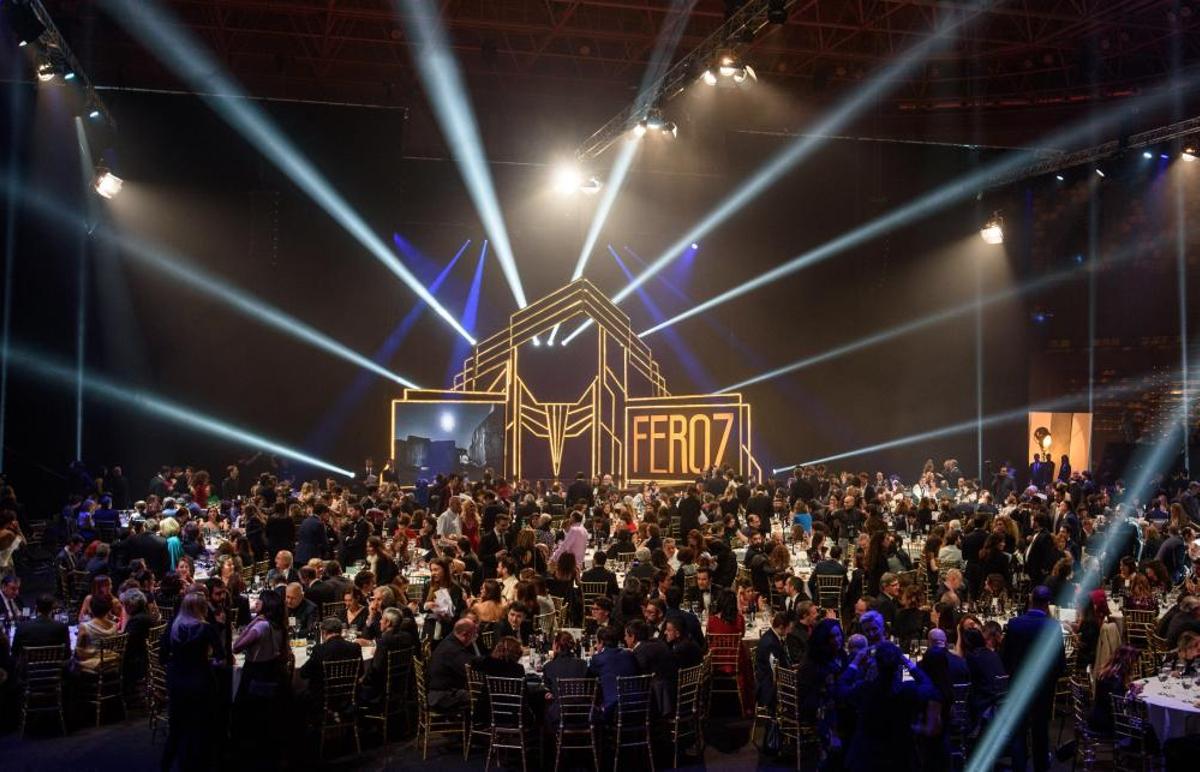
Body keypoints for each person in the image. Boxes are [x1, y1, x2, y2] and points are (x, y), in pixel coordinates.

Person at [837, 641, 936, 772]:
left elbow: (840, 688)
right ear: (898, 666)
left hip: (868, 758)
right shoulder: (907, 691)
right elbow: (928, 686)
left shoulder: (865, 689)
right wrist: (908, 663)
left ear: (877, 665)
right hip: (900, 757)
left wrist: (855, 662)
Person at [1002, 586, 1066, 772]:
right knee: (1040, 729)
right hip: (1043, 688)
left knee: (1018, 729)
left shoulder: (1015, 624)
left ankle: (1019, 767)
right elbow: (1059, 663)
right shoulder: (1053, 626)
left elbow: (1005, 658)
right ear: (1048, 604)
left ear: (1031, 600)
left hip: (1018, 686)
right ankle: (1041, 767)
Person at [160, 591, 224, 772]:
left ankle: (167, 764)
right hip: (201, 681)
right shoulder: (206, 628)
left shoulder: (173, 627)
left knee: (176, 727)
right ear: (203, 609)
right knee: (201, 726)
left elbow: (162, 657)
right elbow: (220, 656)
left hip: (177, 681)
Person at [299, 617, 362, 703]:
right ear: (341, 631)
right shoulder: (355, 647)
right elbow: (360, 672)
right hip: (348, 697)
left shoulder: (319, 650)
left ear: (324, 632)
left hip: (323, 699)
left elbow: (304, 673)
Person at [588, 625, 639, 721]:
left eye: (596, 642)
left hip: (614, 710)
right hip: (638, 706)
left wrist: (594, 656)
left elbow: (590, 679)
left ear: (601, 642)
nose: (596, 645)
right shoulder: (629, 655)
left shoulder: (597, 659)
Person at [1088, 645, 1142, 735]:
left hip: (1096, 717)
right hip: (1108, 724)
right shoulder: (1116, 680)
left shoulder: (1107, 672)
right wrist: (1133, 693)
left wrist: (1128, 688)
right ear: (1128, 661)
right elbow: (1120, 706)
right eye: (1134, 662)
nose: (1135, 665)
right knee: (1147, 727)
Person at [428, 618, 478, 711]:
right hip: (442, 696)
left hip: (441, 690)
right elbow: (471, 671)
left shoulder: (450, 640)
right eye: (474, 634)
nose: (475, 637)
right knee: (481, 696)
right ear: (464, 634)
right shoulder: (452, 650)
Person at [542, 631, 590, 726]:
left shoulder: (548, 666)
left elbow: (548, 689)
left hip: (559, 714)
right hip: (582, 712)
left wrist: (551, 693)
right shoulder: (583, 664)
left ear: (556, 645)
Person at [11, 593, 70, 658]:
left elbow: (14, 652)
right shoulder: (62, 627)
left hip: (29, 663)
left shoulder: (22, 627)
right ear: (52, 608)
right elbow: (67, 654)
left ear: (36, 607)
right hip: (55, 663)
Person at [72, 594, 119, 673]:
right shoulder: (114, 625)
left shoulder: (85, 626)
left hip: (93, 663)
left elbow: (79, 649)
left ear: (91, 609)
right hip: (111, 661)